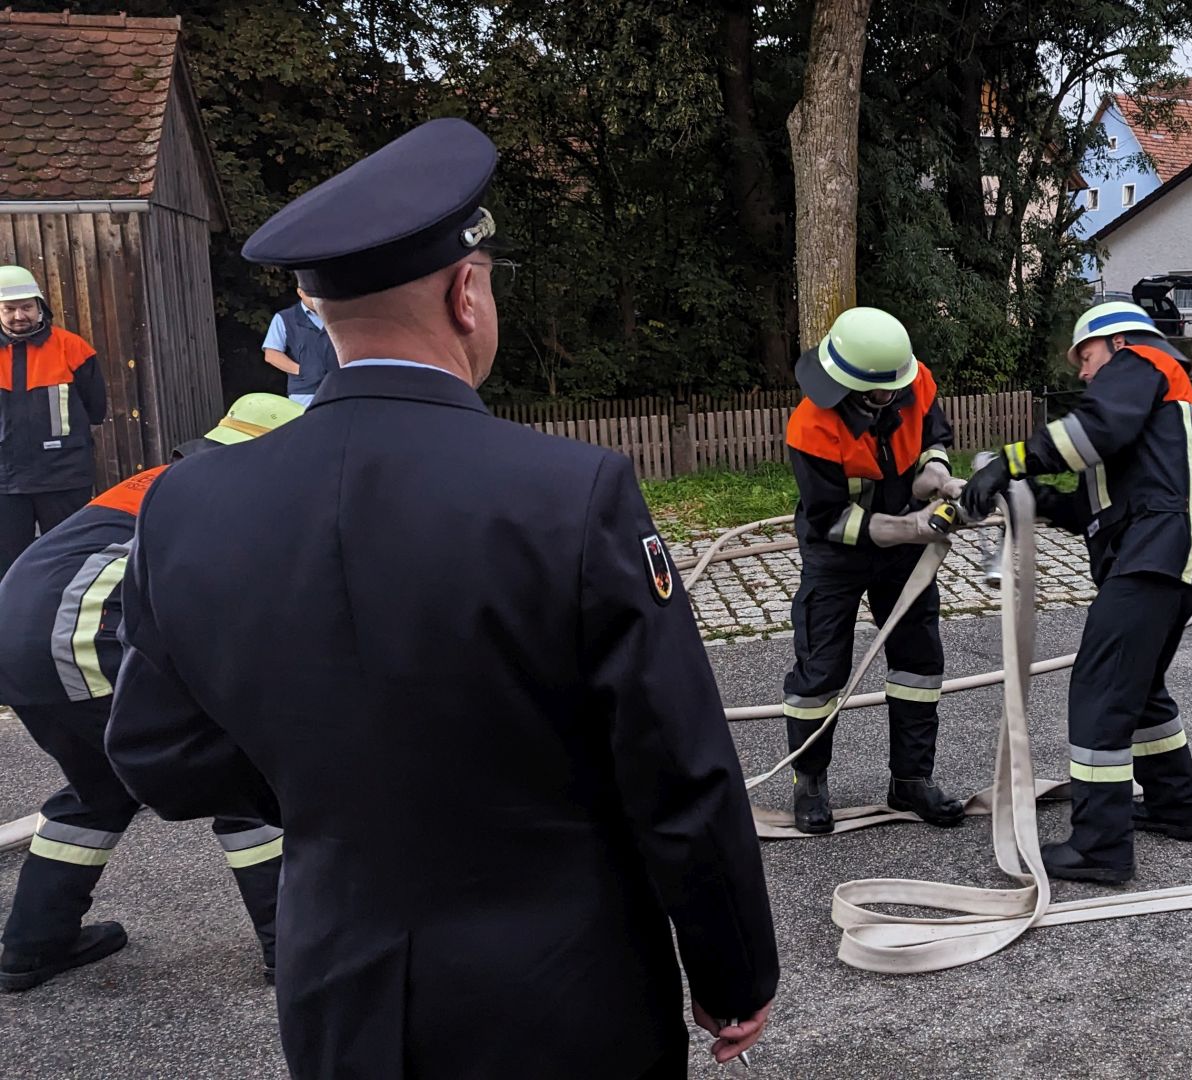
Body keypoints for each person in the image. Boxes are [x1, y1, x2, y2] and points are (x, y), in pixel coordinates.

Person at [102, 117, 778, 1079]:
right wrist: (733, 969)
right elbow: (678, 769)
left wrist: (333, 788)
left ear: (321, 315)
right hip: (563, 992)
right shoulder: (571, 495)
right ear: (467, 293)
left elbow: (157, 754)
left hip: (341, 987)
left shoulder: (184, 503)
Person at [0, 395, 303, 992]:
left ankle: (32, 947)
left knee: (99, 790)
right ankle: (291, 946)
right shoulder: (230, 495)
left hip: (18, 641)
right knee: (243, 774)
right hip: (81, 637)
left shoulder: (161, 481)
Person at [961, 301, 1192, 885]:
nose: (1083, 373)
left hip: (1159, 548)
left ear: (1115, 342)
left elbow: (1092, 429)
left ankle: (1101, 846)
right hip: (1165, 547)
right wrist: (1028, 494)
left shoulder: (1142, 359)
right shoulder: (1141, 418)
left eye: (1085, 356)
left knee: (1102, 689)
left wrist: (1009, 461)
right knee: (1139, 689)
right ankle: (1174, 806)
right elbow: (1091, 507)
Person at [780, 306, 968, 834]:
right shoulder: (811, 427)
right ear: (848, 384)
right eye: (878, 393)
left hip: (906, 542)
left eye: (895, 388)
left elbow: (932, 432)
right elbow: (830, 518)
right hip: (837, 553)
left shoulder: (912, 377)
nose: (891, 397)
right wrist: (913, 528)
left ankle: (911, 783)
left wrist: (938, 474)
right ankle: (810, 784)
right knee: (820, 671)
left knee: (919, 662)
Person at [0, 265, 107, 578]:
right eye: (9, 309)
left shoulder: (72, 348)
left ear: (40, 306)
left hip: (63, 476)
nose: (19, 316)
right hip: (5, 481)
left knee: (69, 561)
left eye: (26, 307)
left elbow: (95, 408)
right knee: (8, 568)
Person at [260, 288, 338, 406]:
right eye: (310, 293)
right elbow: (271, 354)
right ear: (300, 292)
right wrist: (302, 371)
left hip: (339, 389)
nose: (315, 298)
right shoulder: (284, 318)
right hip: (304, 393)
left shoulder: (340, 317)